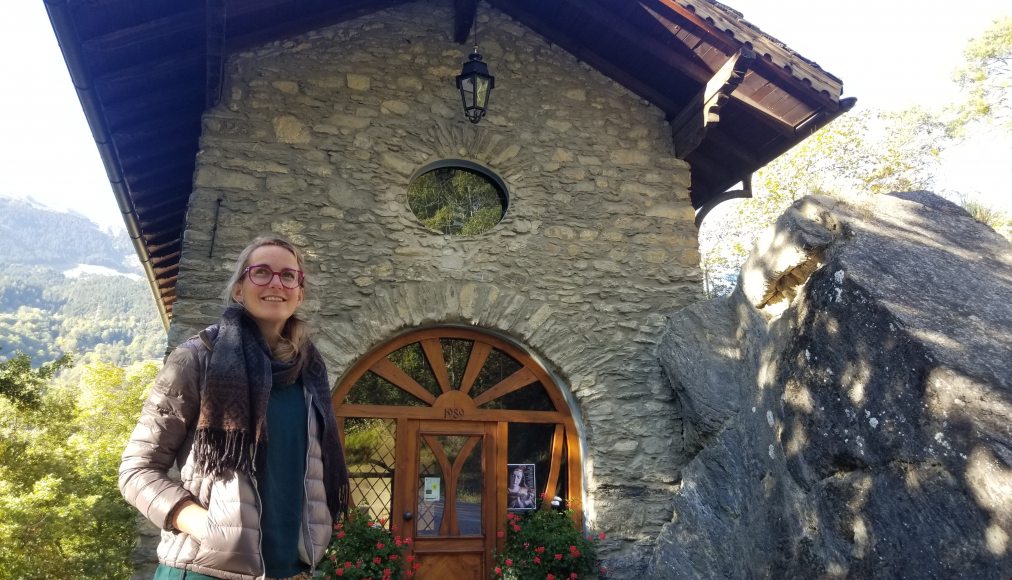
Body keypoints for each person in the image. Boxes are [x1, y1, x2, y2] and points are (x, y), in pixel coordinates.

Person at [119, 235, 349, 580]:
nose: (276, 283)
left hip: (292, 571)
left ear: (299, 293)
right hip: (205, 570)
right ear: (239, 289)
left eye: (288, 276)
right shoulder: (198, 358)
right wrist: (202, 524)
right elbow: (137, 470)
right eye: (261, 272)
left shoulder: (310, 371)